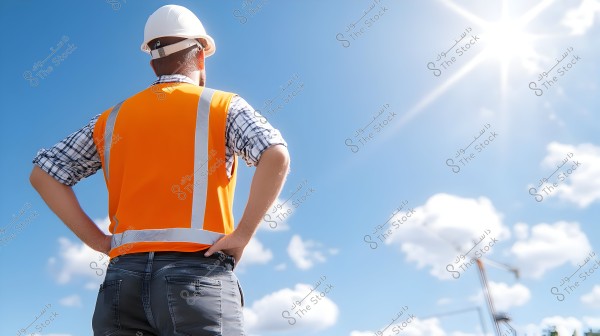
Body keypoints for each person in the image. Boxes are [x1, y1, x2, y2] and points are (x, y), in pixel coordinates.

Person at [29, 4, 290, 335]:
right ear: (201, 55)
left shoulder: (111, 120)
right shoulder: (222, 105)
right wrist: (242, 234)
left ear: (153, 63)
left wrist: (100, 243)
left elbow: (43, 173)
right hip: (197, 274)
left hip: (121, 281)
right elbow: (275, 154)